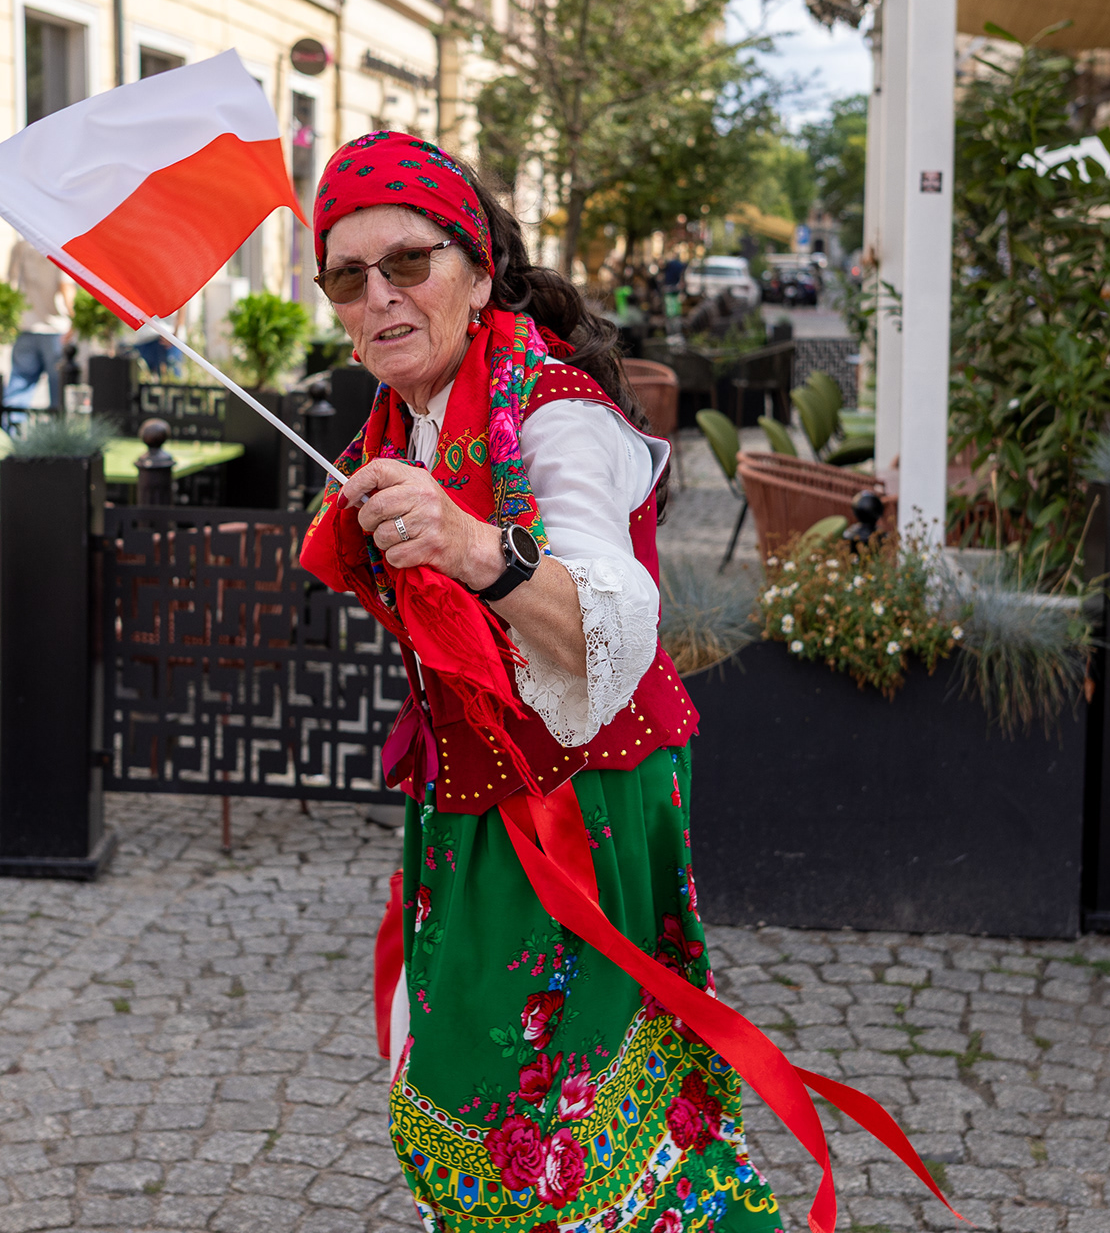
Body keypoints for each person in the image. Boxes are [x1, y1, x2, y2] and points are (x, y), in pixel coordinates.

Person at [300, 131, 785, 1232]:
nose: (378, 298)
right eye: (346, 275)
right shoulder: (404, 409)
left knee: (546, 1110)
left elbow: (611, 622)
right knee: (466, 1080)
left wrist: (474, 548)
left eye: (409, 263)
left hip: (577, 799)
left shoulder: (553, 409)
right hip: (469, 794)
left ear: (476, 266)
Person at [4, 239, 72, 409]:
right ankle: (57, 433)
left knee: (20, 384)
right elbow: (66, 287)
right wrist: (75, 318)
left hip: (26, 326)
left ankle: (12, 430)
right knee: (58, 390)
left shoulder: (20, 246)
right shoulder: (59, 245)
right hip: (55, 328)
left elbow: (10, 285)